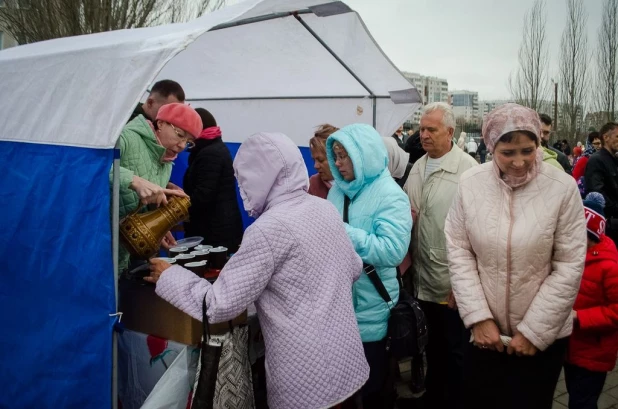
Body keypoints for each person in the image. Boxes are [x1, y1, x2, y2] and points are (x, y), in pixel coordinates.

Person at [146, 132, 370, 409]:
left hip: (305, 376)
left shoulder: (268, 229)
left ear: (259, 176)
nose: (242, 186)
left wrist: (169, 275)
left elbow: (219, 304)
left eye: (244, 178)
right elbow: (354, 267)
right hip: (347, 360)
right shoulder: (323, 208)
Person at [445, 103, 586, 409]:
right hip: (484, 337)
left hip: (541, 341)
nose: (519, 162)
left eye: (528, 150)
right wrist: (479, 319)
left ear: (539, 143)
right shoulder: (471, 184)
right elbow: (459, 252)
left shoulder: (562, 188)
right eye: (508, 152)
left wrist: (534, 332)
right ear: (491, 146)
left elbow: (569, 264)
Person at [326, 124, 412, 409]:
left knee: (373, 387)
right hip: (339, 306)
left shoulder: (391, 194)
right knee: (345, 389)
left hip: (372, 306)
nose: (337, 163)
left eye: (344, 156)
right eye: (335, 155)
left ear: (364, 156)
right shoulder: (338, 191)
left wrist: (343, 232)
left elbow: (392, 251)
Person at [403, 102, 477, 409]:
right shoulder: (418, 167)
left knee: (455, 352)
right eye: (421, 128)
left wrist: (462, 283)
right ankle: (433, 399)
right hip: (422, 278)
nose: (424, 135)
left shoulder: (469, 171)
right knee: (430, 348)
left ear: (450, 131)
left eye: (431, 129)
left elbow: (477, 233)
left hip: (451, 282)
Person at [114, 103, 202, 273]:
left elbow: (143, 205)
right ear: (160, 123)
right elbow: (92, 168)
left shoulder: (166, 164)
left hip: (124, 255)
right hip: (97, 246)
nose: (182, 146)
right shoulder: (126, 137)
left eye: (188, 142)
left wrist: (157, 227)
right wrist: (133, 180)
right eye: (179, 135)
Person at [565, 193, 618, 409]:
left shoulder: (609, 266)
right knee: (576, 397)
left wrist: (580, 316)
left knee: (583, 403)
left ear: (591, 234)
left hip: (594, 351)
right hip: (571, 347)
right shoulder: (575, 255)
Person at [182, 108, 243, 252]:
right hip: (219, 228)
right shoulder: (213, 148)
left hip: (214, 233)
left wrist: (178, 209)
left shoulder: (210, 154)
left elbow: (203, 195)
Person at [586, 122, 618, 246]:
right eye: (617, 137)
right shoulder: (596, 160)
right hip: (609, 225)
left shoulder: (614, 160)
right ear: (606, 137)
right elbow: (596, 193)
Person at [308, 124, 339, 199]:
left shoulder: (356, 184)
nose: (315, 166)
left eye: (321, 160)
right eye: (314, 160)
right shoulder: (313, 185)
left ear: (337, 157)